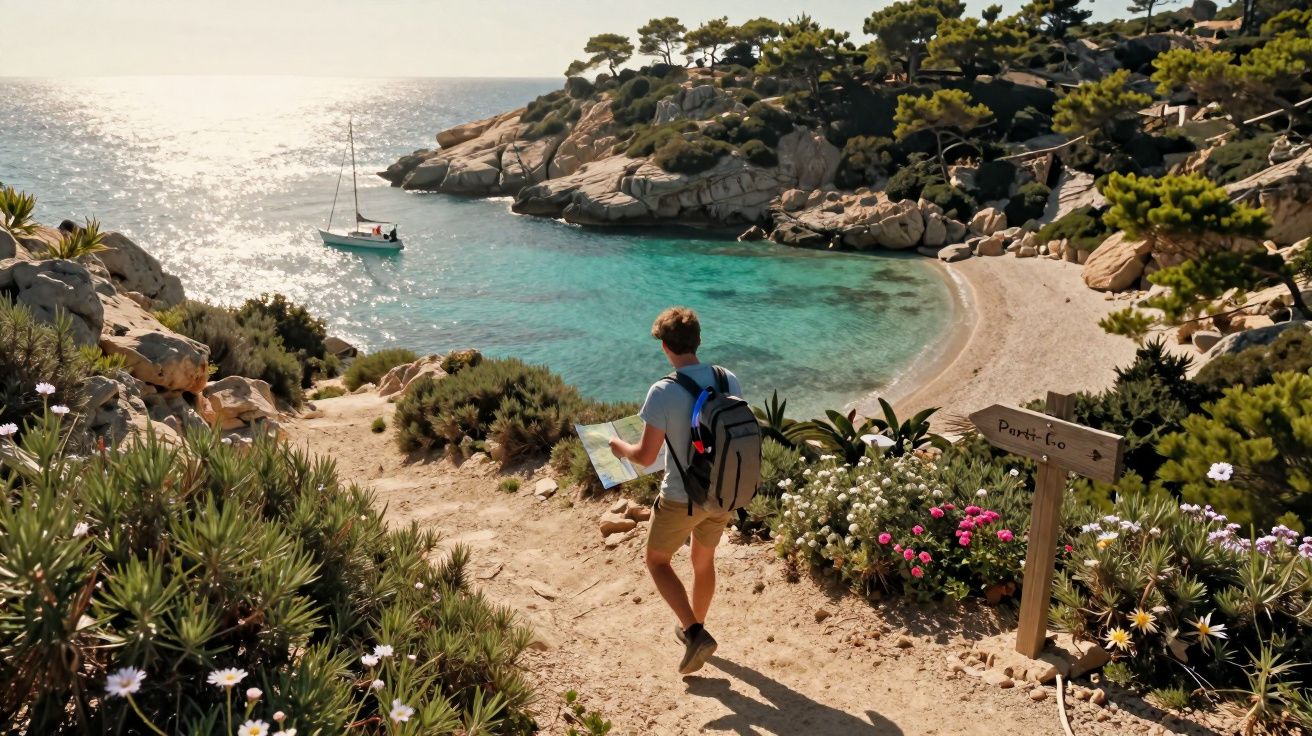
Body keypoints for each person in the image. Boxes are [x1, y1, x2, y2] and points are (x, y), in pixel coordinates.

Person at [609, 306, 742, 675]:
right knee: (703, 562)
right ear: (697, 341)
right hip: (723, 492)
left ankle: (694, 631)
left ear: (666, 347)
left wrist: (618, 447)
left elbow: (646, 455)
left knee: (657, 561)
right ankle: (693, 630)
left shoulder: (663, 391)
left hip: (683, 497)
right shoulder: (728, 378)